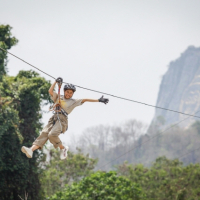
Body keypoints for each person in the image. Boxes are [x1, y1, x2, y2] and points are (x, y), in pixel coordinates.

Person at [21, 77, 109, 160]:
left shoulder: (73, 101)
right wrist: (55, 81)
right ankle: (31, 150)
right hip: (54, 118)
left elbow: (85, 99)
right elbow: (50, 91)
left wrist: (98, 100)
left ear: (73, 94)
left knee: (52, 135)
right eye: (67, 92)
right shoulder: (59, 97)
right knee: (44, 133)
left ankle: (63, 148)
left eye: (71, 93)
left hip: (62, 120)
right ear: (64, 91)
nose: (69, 94)